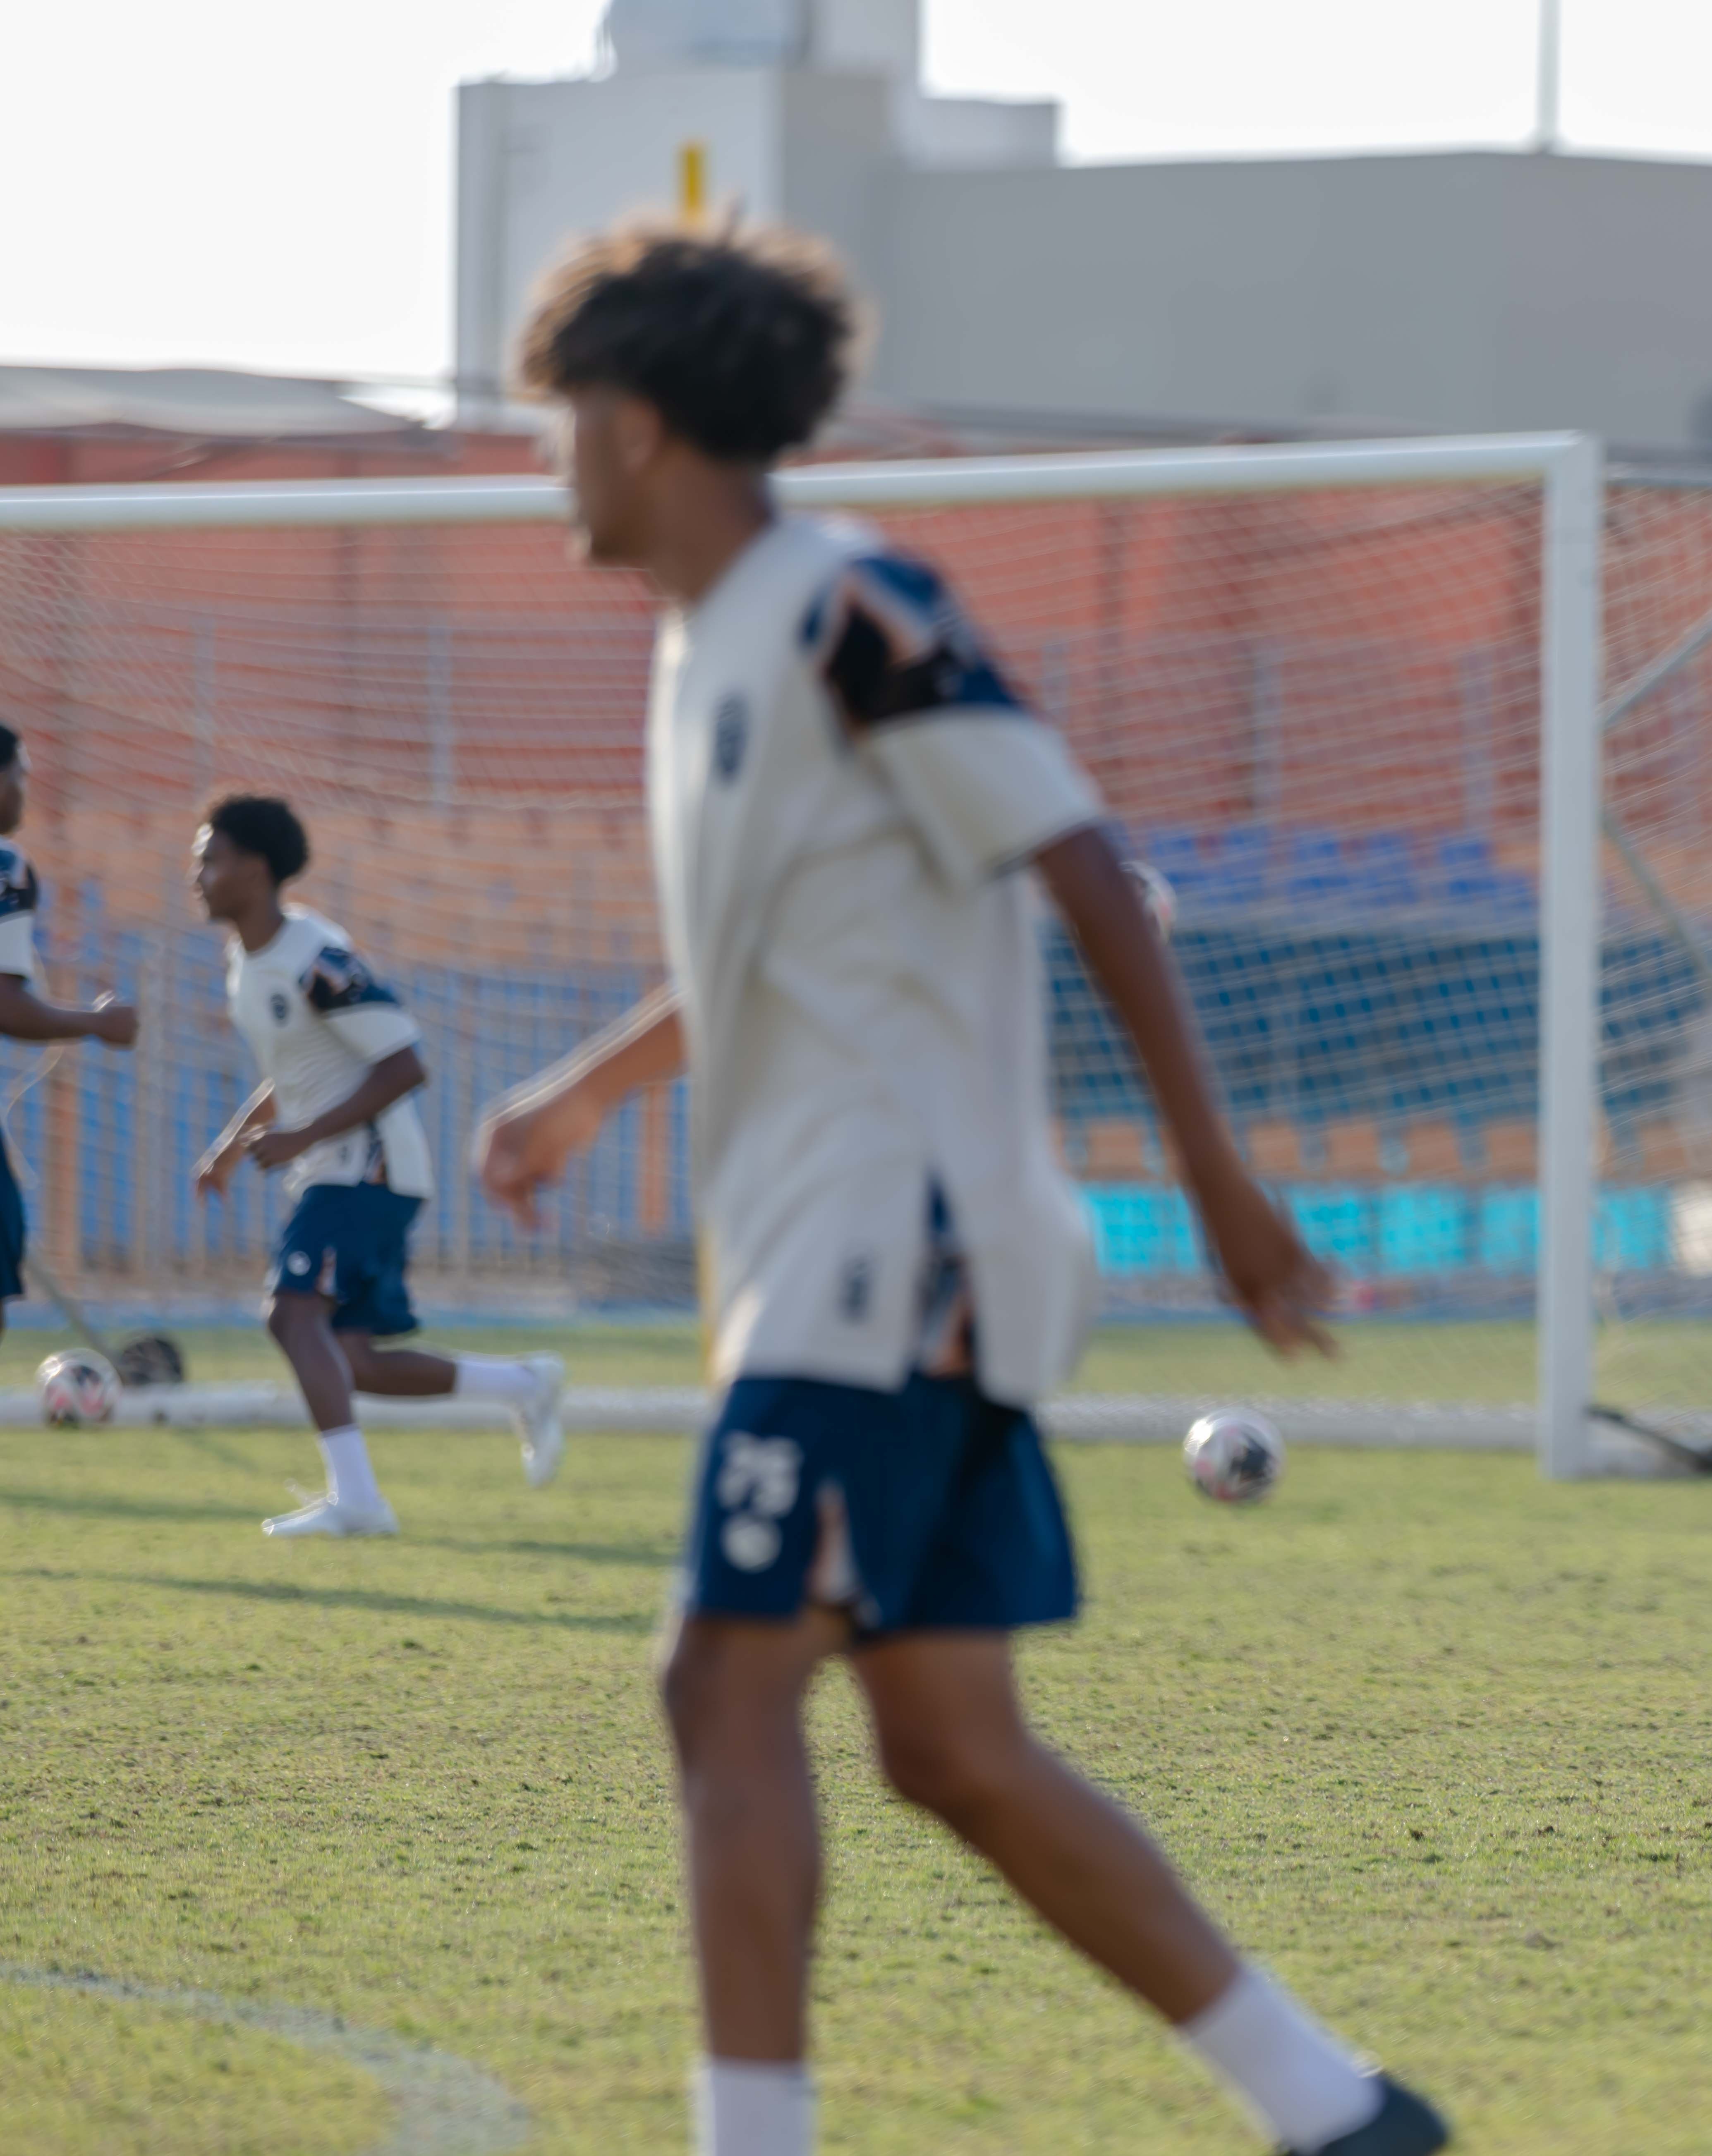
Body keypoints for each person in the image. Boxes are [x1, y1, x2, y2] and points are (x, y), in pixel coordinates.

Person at [472, 220, 1444, 2156]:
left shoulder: (852, 607)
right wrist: (585, 1094)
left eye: (565, 417)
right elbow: (786, 946)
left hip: (891, 1249)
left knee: (718, 1684)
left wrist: (1224, 1194)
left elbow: (1086, 868)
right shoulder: (708, 645)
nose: (549, 460)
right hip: (840, 1254)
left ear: (643, 422)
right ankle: (1341, 2115)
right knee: (949, 1749)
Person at [189, 796, 565, 1536]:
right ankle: (526, 1382)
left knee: (291, 1312)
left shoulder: (317, 957)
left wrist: (300, 1138)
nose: (196, 874)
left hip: (370, 1166)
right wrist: (233, 1143)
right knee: (352, 1357)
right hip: (343, 1166)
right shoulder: (247, 960)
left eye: (211, 858)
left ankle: (358, 1501)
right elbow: (296, 1069)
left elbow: (403, 1066)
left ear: (256, 869)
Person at [0, 724, 141, 1333]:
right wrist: (98, 1022)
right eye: (21, 774)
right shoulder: (6, 867)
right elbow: (5, 1004)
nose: (26, 788)